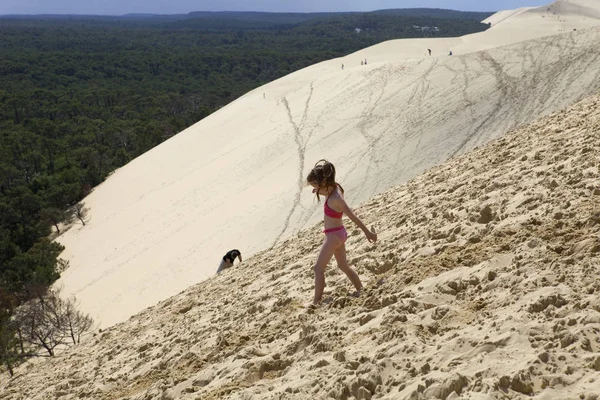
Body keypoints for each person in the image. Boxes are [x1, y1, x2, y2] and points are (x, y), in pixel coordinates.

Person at [306, 160, 377, 306]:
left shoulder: (336, 199)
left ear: (324, 182)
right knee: (343, 266)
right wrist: (319, 189)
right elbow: (328, 193)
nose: (315, 189)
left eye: (315, 186)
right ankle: (361, 289)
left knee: (318, 268)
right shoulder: (335, 188)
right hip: (339, 234)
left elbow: (352, 216)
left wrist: (368, 233)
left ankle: (316, 302)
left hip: (333, 237)